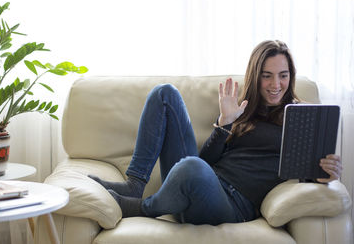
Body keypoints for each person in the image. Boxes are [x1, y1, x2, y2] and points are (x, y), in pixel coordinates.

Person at [89, 40, 342, 225]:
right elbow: (207, 161)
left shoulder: (301, 116)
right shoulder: (242, 108)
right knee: (164, 94)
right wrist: (224, 124)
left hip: (232, 205)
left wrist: (323, 174)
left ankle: (143, 208)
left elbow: (306, 169)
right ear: (256, 77)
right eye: (267, 76)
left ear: (291, 76)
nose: (276, 85)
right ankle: (135, 185)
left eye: (283, 75)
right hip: (204, 181)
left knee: (191, 167)